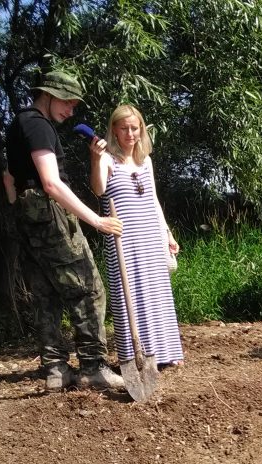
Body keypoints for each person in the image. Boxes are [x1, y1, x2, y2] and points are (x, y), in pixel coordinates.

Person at [5, 68, 125, 392]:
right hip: (50, 216)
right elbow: (51, 183)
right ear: (48, 94)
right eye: (68, 102)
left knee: (45, 295)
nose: (71, 111)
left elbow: (8, 178)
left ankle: (56, 370)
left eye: (74, 105)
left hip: (27, 220)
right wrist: (96, 221)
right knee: (88, 288)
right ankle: (93, 368)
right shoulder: (38, 125)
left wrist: (20, 211)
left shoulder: (18, 123)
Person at [90, 104, 184, 369]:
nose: (130, 133)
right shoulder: (108, 158)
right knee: (128, 294)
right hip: (123, 238)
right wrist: (95, 159)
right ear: (114, 131)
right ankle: (133, 356)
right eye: (124, 128)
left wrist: (167, 233)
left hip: (150, 235)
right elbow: (99, 190)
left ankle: (165, 352)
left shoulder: (146, 161)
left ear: (141, 129)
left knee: (157, 292)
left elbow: (154, 200)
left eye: (135, 128)